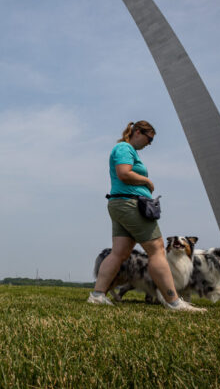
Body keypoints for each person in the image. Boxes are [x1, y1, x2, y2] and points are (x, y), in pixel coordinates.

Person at [88, 121, 205, 312]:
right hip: (131, 204)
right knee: (157, 250)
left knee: (119, 253)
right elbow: (124, 173)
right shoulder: (124, 148)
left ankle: (98, 295)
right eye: (149, 138)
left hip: (120, 203)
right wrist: (147, 182)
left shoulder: (126, 149)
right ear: (137, 132)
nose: (149, 143)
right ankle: (174, 301)